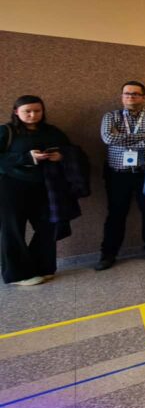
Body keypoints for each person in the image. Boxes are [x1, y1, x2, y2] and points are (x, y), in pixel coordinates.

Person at [0, 96, 70, 285]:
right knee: (13, 229)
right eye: (27, 111)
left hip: (45, 185)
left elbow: (71, 150)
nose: (33, 115)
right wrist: (25, 157)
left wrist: (60, 156)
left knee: (49, 225)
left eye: (37, 111)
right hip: (11, 185)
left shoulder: (51, 131)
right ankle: (17, 275)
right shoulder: (6, 131)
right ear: (16, 112)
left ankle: (43, 267)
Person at [97, 81, 145, 270]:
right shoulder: (111, 116)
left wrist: (123, 139)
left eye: (135, 94)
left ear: (143, 97)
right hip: (118, 174)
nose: (130, 97)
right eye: (127, 93)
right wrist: (144, 136)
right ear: (122, 97)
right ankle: (108, 254)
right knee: (116, 214)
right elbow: (108, 138)